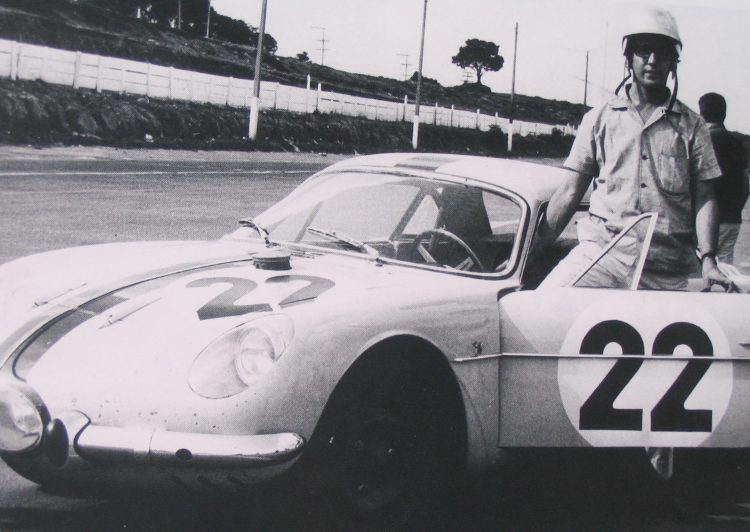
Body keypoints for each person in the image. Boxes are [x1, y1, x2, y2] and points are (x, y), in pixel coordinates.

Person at [534, 7, 732, 291]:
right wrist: (535, 251)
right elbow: (568, 192)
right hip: (602, 256)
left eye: (662, 53)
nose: (652, 61)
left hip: (667, 267)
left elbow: (705, 197)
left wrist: (709, 260)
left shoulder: (693, 126)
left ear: (673, 62)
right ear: (628, 57)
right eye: (644, 50)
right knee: (544, 303)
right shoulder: (599, 119)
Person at [698, 92, 749, 265]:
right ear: (724, 113)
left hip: (706, 221)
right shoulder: (737, 143)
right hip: (732, 219)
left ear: (701, 114)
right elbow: (745, 184)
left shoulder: (702, 142)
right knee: (726, 268)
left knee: (702, 267)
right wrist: (735, 210)